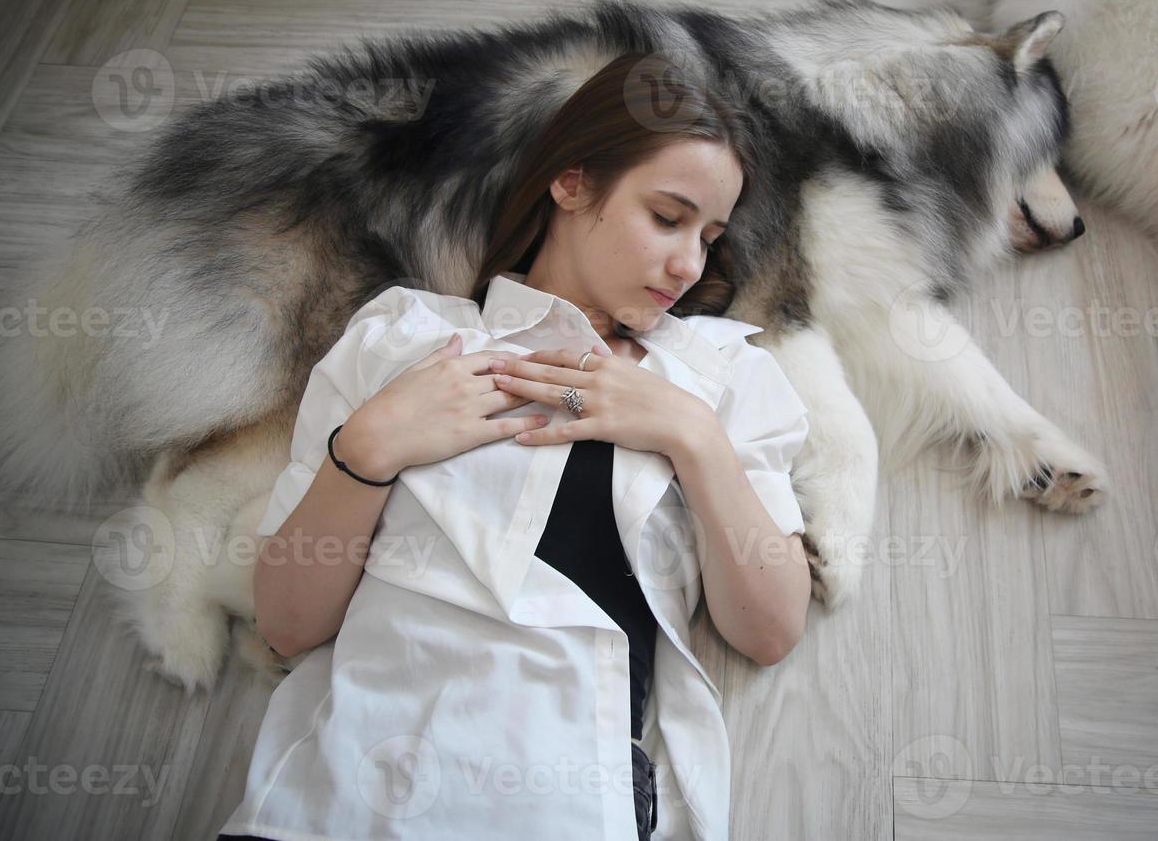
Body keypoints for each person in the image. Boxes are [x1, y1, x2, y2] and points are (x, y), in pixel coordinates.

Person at [217, 52, 812, 840]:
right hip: (342, 800)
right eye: (666, 218)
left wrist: (692, 436)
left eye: (708, 237)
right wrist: (367, 449)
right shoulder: (402, 338)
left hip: (566, 801)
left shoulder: (723, 378)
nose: (687, 264)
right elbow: (287, 625)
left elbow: (769, 631)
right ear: (571, 184)